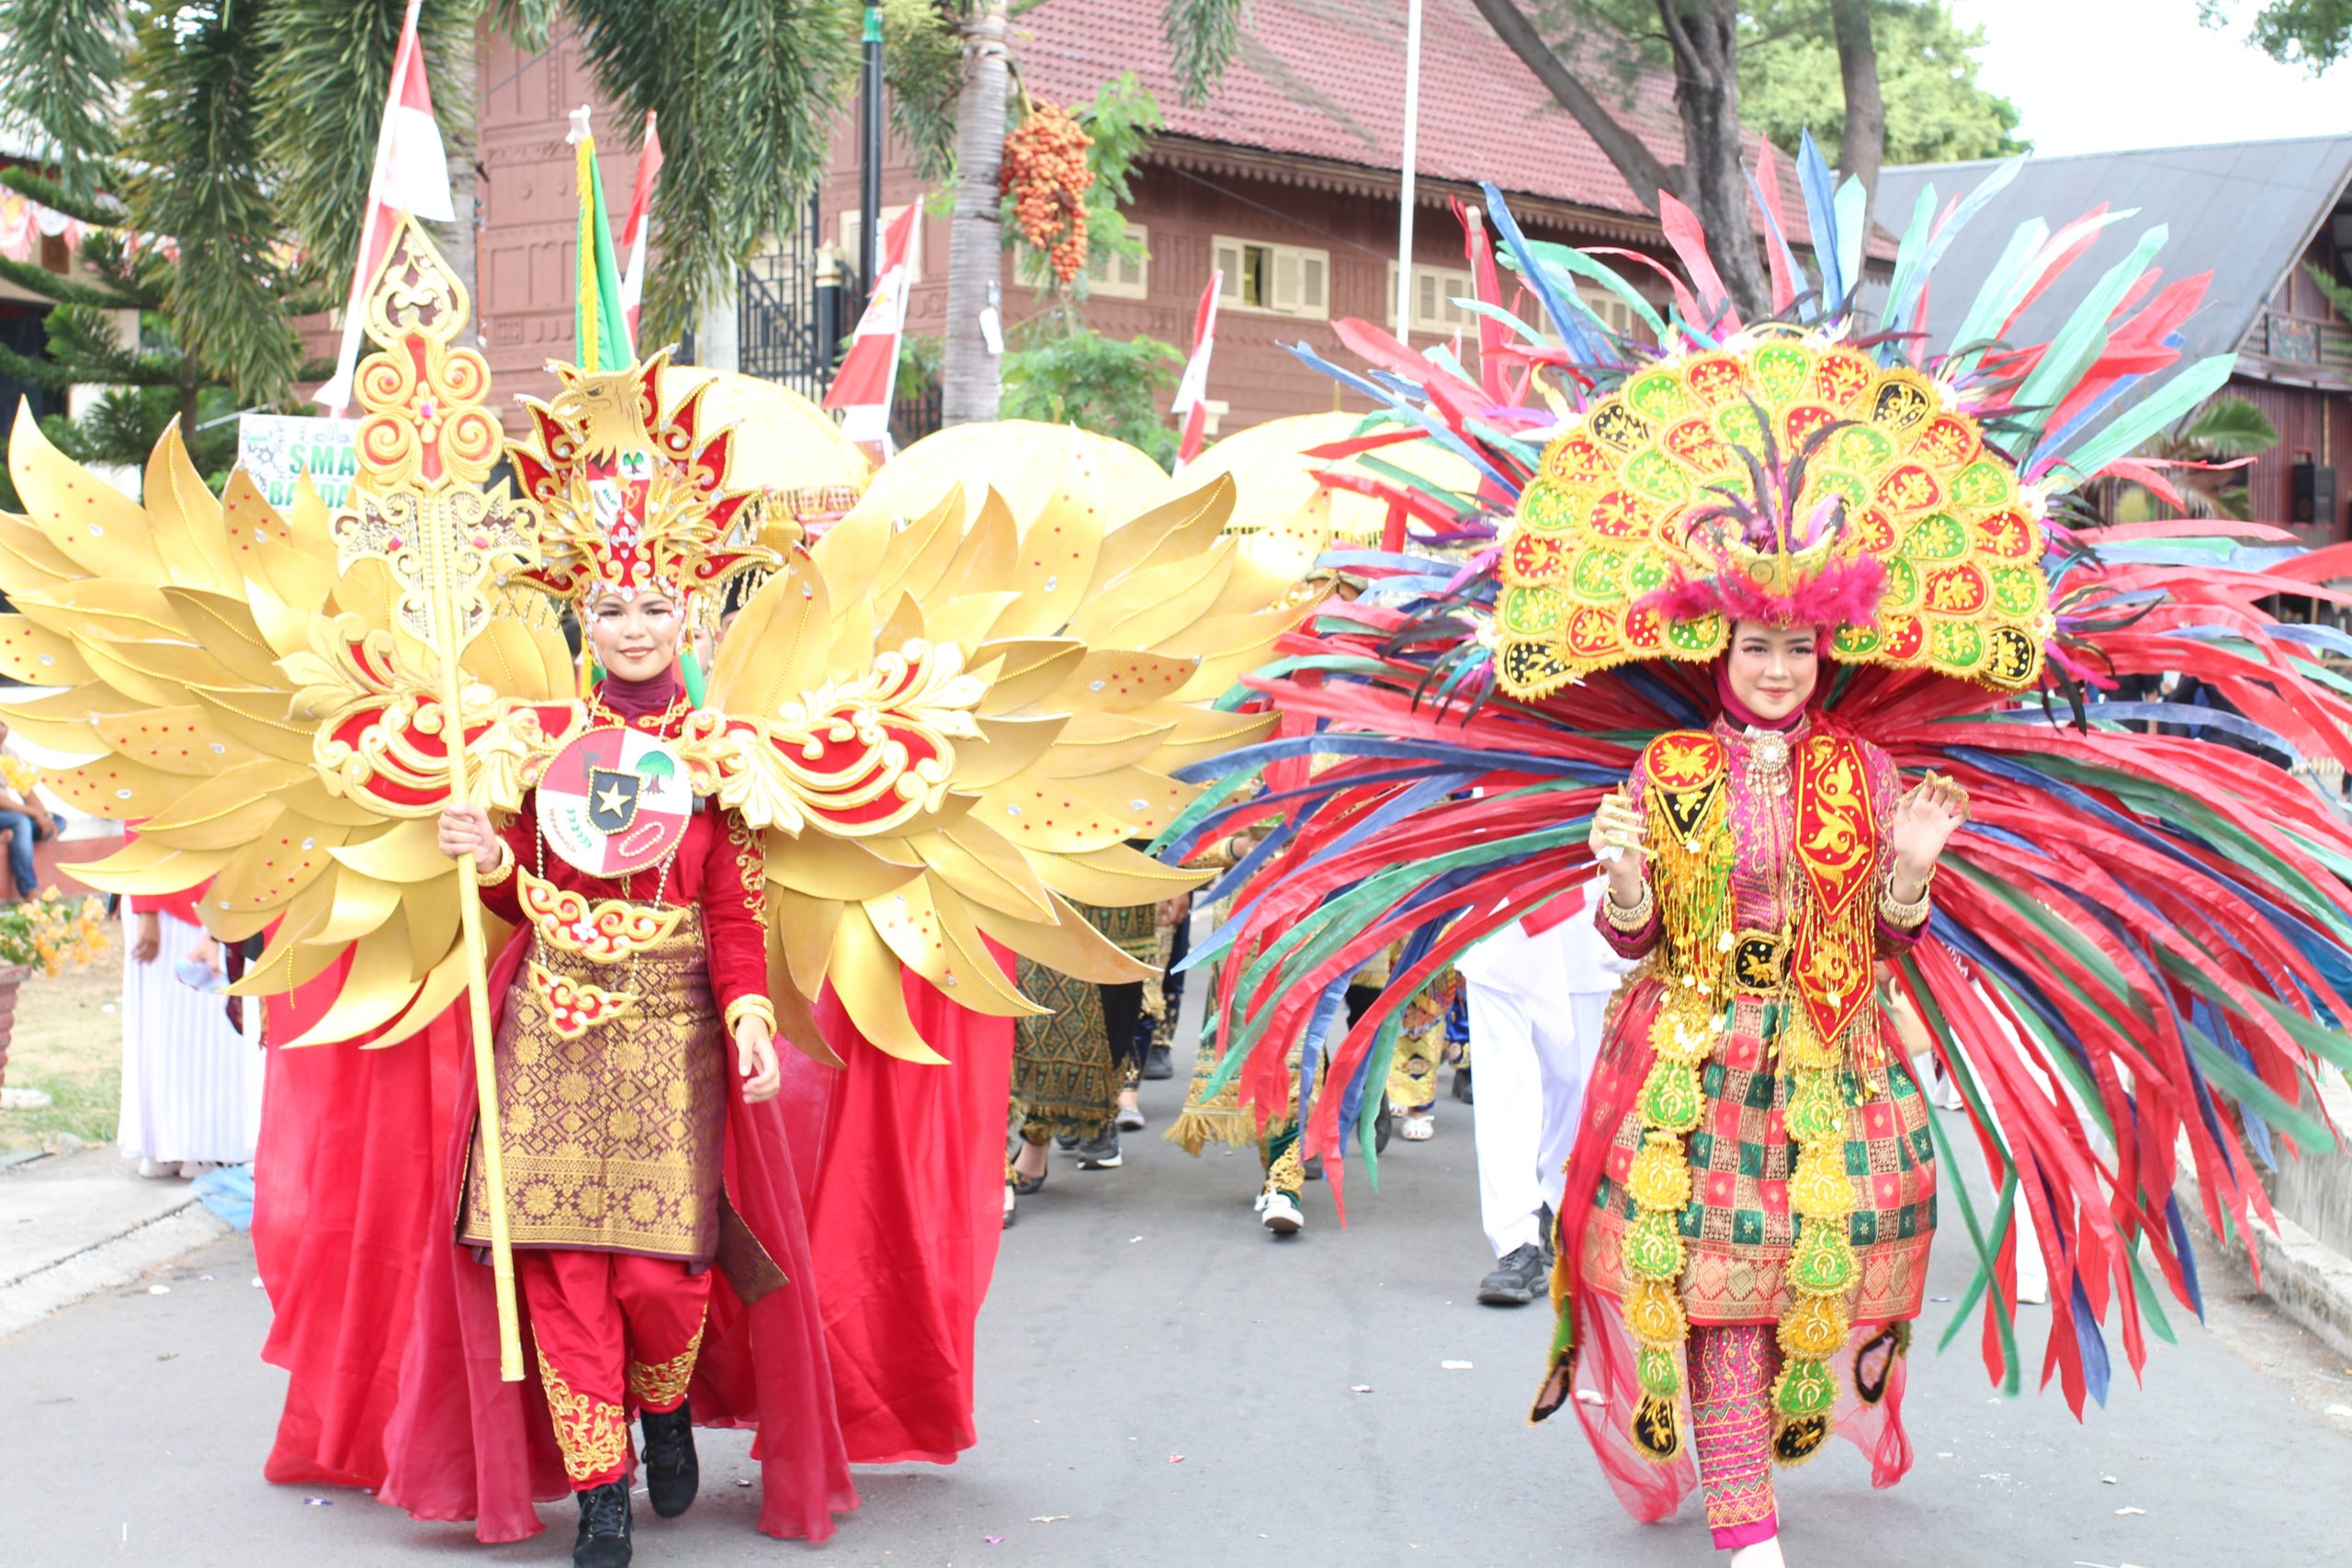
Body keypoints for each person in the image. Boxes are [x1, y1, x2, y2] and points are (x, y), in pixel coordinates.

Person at [1569, 623, 1965, 1563]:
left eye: (1797, 648)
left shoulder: (1860, 768)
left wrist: (1911, 865)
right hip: (1699, 1060)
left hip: (1828, 1055)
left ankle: (1740, 1445)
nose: (1778, 670)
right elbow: (1636, 937)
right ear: (1719, 653)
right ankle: (1747, 1526)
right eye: (1755, 648)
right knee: (1719, 1291)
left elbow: (1883, 938)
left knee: (1806, 1271)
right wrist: (1624, 877)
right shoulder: (1667, 767)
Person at [434, 581, 800, 1566]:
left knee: (658, 1274)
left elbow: (735, 912)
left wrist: (750, 1016)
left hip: (671, 1030)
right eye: (611, 611)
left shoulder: (723, 759)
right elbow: (519, 892)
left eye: (652, 608)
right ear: (582, 625)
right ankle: (601, 1488)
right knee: (563, 1267)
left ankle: (665, 1404)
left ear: (687, 623)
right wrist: (481, 855)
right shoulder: (535, 745)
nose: (632, 630)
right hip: (549, 1029)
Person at [1460, 889, 1624, 1306]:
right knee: (1503, 1084)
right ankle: (1514, 1242)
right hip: (1501, 897)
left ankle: (1562, 1202)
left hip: (1581, 907)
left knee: (1574, 1079)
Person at [119, 877, 262, 1178]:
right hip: (175, 897)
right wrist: (146, 910)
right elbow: (137, 830)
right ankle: (179, 1145)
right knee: (172, 1025)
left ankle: (191, 1145)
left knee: (196, 1027)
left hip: (209, 891)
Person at [0, 721, 58, 900]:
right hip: (7, 813)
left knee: (57, 821)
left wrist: (44, 816)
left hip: (8, 817)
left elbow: (27, 792)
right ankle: (29, 890)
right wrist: (33, 814)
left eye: (3, 724)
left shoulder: (10, 754)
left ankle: (9, 834)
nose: (2, 729)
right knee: (21, 822)